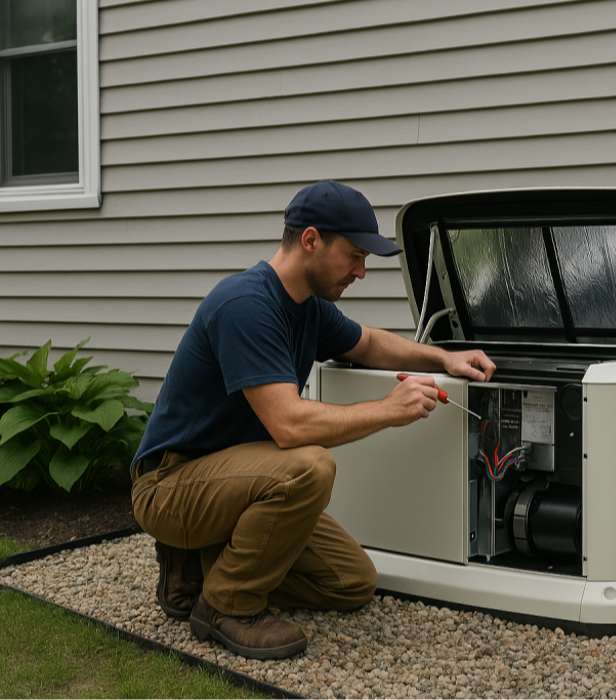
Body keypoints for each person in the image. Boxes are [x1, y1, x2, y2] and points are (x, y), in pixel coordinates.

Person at [130, 179, 496, 660]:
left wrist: (443, 357)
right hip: (171, 486)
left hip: (236, 482)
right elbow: (289, 426)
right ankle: (226, 605)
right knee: (310, 467)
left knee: (352, 581)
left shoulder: (309, 309)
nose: (361, 272)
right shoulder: (245, 305)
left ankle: (206, 563)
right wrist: (388, 409)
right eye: (355, 256)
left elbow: (368, 343)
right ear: (310, 240)